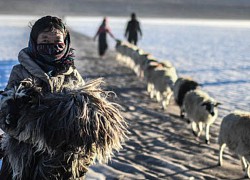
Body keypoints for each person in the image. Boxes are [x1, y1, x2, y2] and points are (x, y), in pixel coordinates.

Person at [0, 15, 86, 179]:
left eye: (57, 41)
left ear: (65, 43)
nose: (51, 45)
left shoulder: (73, 76)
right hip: (23, 158)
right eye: (45, 40)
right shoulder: (20, 72)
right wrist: (40, 137)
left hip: (62, 161)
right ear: (34, 42)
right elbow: (5, 115)